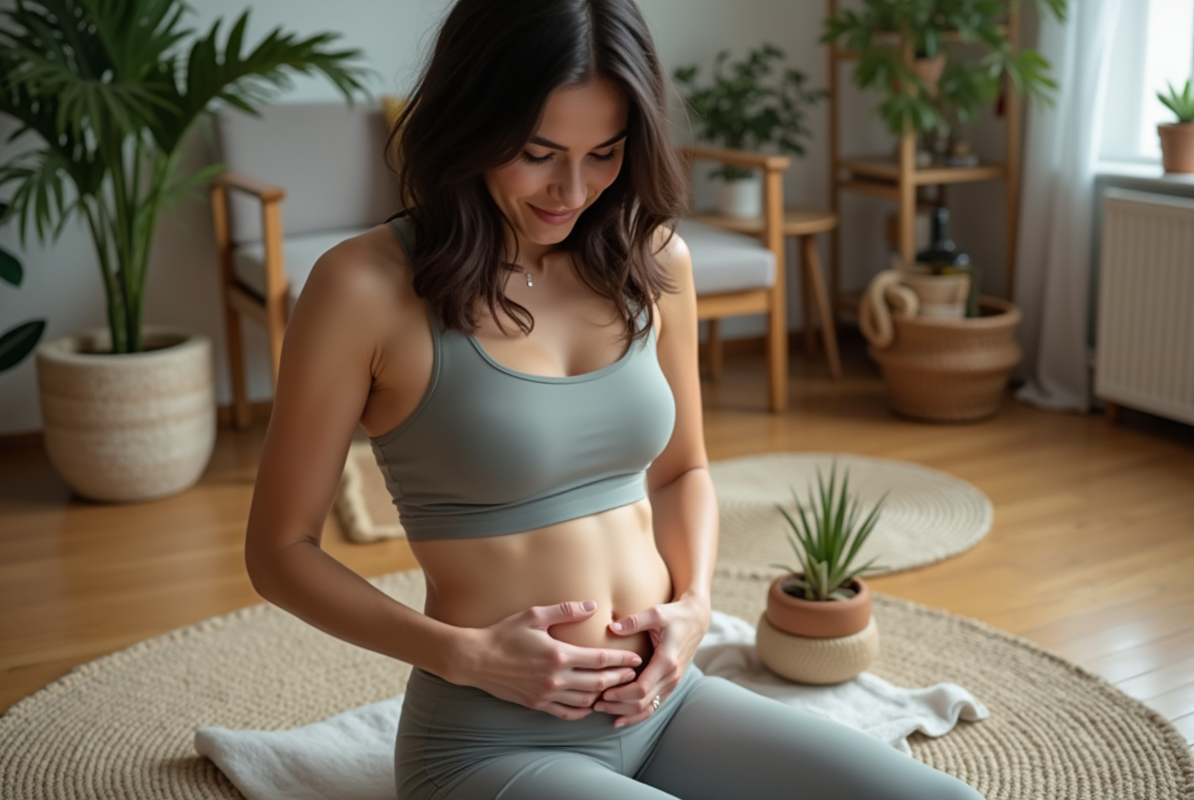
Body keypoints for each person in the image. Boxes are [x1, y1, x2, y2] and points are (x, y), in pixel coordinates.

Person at [244, 1, 987, 798]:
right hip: (490, 742)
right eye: (538, 153)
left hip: (667, 706)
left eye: (605, 153)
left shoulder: (654, 260)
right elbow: (280, 551)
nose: (574, 189)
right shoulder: (362, 288)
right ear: (469, 122)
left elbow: (681, 473)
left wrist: (695, 608)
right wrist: (464, 654)